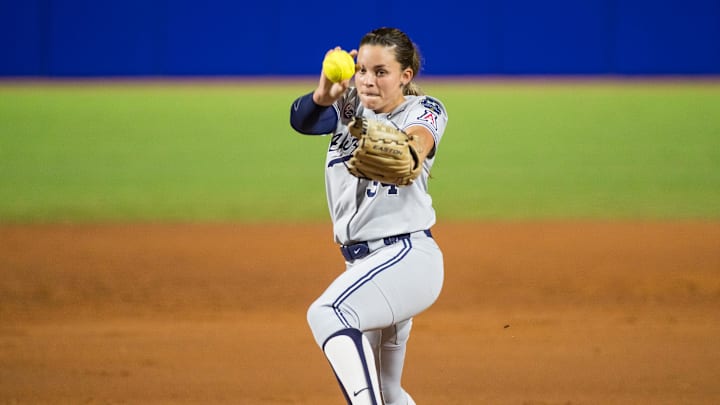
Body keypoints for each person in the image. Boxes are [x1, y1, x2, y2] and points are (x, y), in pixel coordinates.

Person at [289, 27, 448, 405]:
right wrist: (322, 94)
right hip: (364, 267)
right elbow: (302, 121)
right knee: (389, 392)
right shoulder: (349, 105)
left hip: (407, 258)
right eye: (362, 69)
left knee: (329, 313)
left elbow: (418, 144)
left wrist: (404, 151)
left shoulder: (425, 109)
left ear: (404, 76)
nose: (368, 80)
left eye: (381, 72)